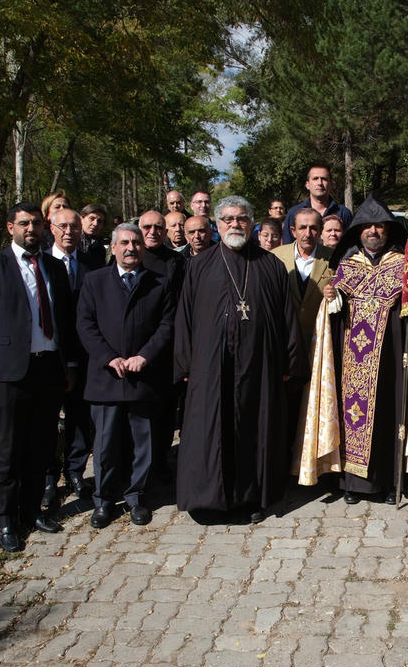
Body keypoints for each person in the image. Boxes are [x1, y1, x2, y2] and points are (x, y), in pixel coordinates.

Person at [174, 196, 301, 522]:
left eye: (241, 219)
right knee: (210, 430)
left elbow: (288, 317)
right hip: (210, 368)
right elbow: (185, 318)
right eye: (228, 219)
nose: (235, 224)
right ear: (217, 225)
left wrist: (288, 361)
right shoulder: (199, 266)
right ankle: (208, 500)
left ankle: (251, 498)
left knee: (254, 429)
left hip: (259, 367)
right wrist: (185, 363)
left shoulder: (271, 265)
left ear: (251, 223)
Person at [0, 202, 79, 552]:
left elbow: (65, 320)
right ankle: (3, 520)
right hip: (9, 372)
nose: (31, 229)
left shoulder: (53, 267)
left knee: (42, 445)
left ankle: (32, 512)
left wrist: (69, 365)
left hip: (48, 369)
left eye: (36, 224)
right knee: (7, 448)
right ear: (10, 227)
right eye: (23, 224)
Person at [320, 193, 408, 504]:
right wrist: (332, 297)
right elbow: (334, 314)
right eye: (367, 227)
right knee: (353, 419)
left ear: (389, 231)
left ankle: (391, 482)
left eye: (380, 227)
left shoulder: (404, 264)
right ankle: (353, 483)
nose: (373, 232)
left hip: (392, 359)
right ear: (358, 231)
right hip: (352, 364)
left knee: (391, 417)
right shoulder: (346, 266)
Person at [76, 224, 175, 528]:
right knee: (105, 446)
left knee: (143, 443)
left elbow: (167, 325)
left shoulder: (159, 282)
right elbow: (85, 324)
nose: (131, 248)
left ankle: (137, 498)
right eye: (125, 243)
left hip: (143, 377)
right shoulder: (94, 281)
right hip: (107, 378)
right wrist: (109, 358)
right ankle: (104, 501)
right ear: (113, 247)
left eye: (136, 243)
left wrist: (144, 356)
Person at [44, 207, 101, 510]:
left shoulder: (92, 265)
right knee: (48, 420)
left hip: (82, 355)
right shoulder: (40, 263)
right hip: (49, 355)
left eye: (75, 227)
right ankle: (49, 478)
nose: (69, 232)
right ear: (50, 229)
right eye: (63, 227)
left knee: (80, 418)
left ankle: (76, 471)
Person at [272, 208, 335, 446]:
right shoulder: (276, 257)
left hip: (319, 345)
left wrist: (336, 294)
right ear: (292, 230)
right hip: (285, 345)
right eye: (302, 228)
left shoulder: (335, 257)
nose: (307, 233)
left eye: (313, 228)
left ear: (320, 231)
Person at [137, 209, 186, 482]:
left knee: (166, 411)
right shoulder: (129, 256)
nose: (153, 232)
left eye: (158, 227)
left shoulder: (176, 261)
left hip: (167, 346)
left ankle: (161, 464)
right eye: (147, 227)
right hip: (136, 346)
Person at [283, 163, 352, 242]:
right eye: (315, 179)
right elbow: (287, 245)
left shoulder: (343, 213)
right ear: (307, 184)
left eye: (324, 179)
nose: (320, 183)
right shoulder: (294, 213)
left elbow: (350, 244)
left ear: (331, 184)